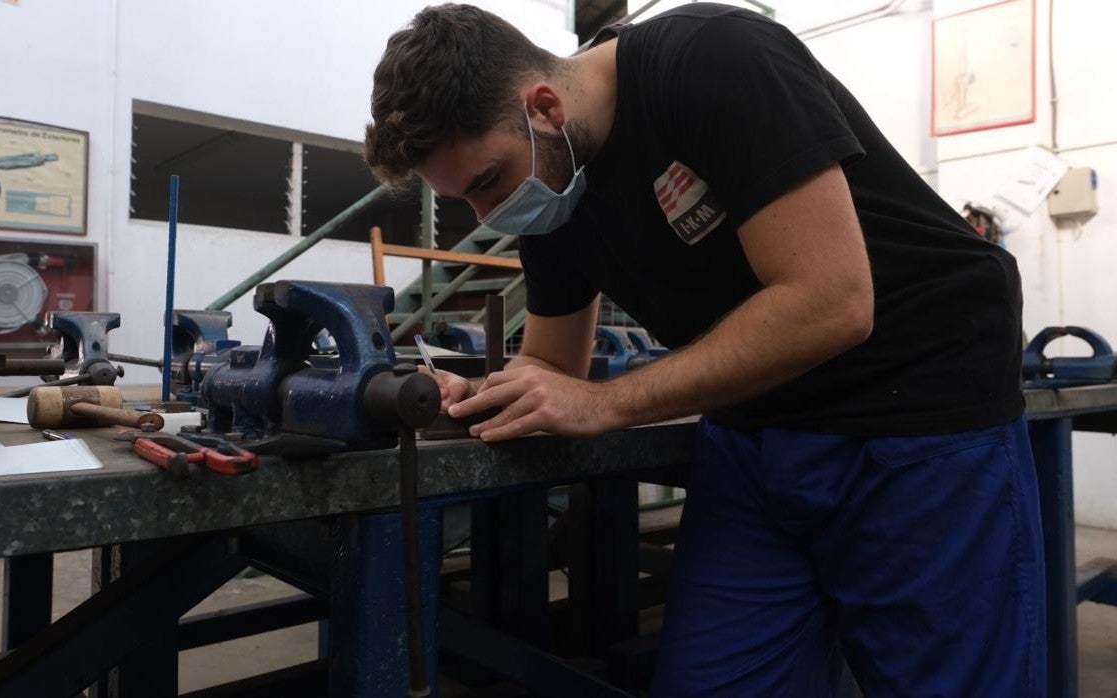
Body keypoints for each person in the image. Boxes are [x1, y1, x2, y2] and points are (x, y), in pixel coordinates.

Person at [364, 4, 1045, 696]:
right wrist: (479, 393)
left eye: (486, 182)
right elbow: (551, 367)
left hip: (917, 418)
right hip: (757, 434)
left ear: (543, 108)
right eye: (467, 200)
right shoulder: (551, 190)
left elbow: (833, 301)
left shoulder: (712, 59)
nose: (491, 216)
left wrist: (610, 402)